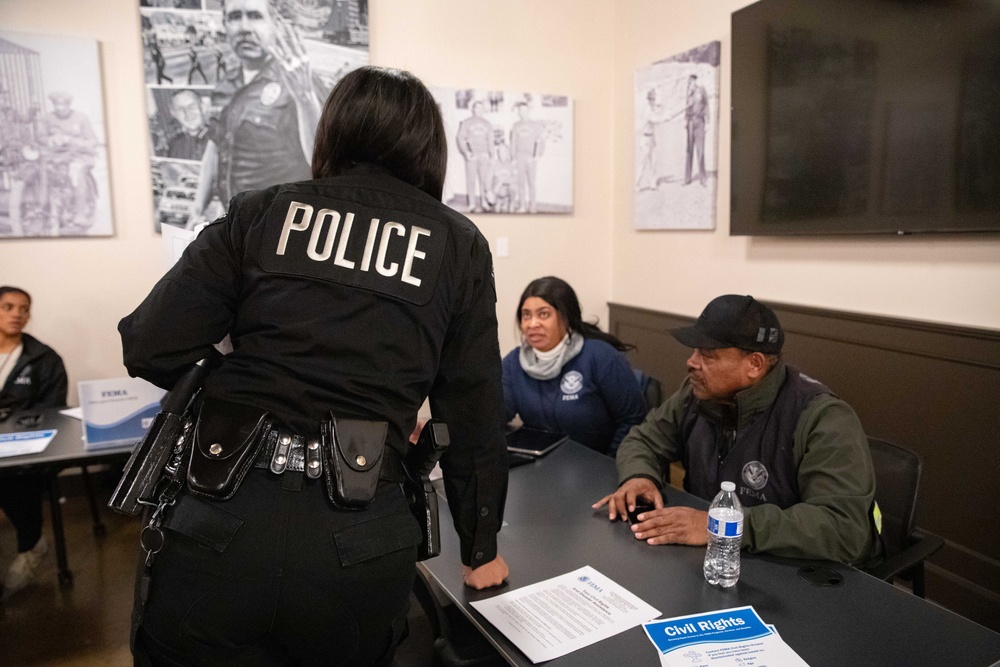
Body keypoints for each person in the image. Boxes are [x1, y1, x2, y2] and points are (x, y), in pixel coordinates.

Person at [119, 66, 509, 666]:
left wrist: (237, 383)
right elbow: (473, 413)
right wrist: (480, 548)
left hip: (221, 512)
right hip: (360, 535)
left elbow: (149, 344)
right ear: (430, 149)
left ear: (330, 133)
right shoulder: (457, 245)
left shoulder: (262, 212)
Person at [594, 295, 881, 565]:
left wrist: (722, 525)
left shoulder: (822, 417)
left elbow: (842, 528)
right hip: (713, 561)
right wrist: (639, 476)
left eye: (708, 354)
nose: (691, 362)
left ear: (754, 364)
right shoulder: (696, 394)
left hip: (794, 572)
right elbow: (643, 440)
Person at [187, 0, 322, 226]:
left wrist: (306, 99)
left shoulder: (300, 82)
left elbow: (323, 162)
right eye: (235, 17)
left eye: (255, 16)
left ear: (275, 25)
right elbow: (215, 147)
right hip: (235, 228)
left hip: (282, 231)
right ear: (225, 25)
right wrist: (197, 207)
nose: (244, 27)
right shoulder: (225, 84)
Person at [503, 277, 646, 456]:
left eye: (544, 314)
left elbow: (632, 420)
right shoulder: (513, 363)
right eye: (526, 315)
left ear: (566, 317)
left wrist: (610, 465)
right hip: (540, 468)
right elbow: (497, 415)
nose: (532, 324)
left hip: (599, 467)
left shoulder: (600, 356)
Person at [0, 286, 68, 599]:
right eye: (8, 307)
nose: (17, 314)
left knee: (14, 476)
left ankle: (31, 544)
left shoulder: (45, 359)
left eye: (23, 308)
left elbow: (52, 413)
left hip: (23, 452)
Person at [455, 100, 493, 213]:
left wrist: (492, 155)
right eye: (477, 108)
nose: (479, 110)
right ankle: (472, 203)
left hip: (484, 155)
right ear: (473, 109)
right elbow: (460, 138)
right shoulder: (466, 122)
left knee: (484, 180)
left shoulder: (487, 123)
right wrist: (466, 152)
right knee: (471, 180)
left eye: (481, 108)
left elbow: (491, 141)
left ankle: (484, 202)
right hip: (472, 156)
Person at [509, 101, 545, 213]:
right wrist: (513, 158)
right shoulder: (516, 125)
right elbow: (513, 143)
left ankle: (533, 206)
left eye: (524, 110)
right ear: (518, 112)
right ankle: (522, 206)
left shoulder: (536, 125)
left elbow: (540, 142)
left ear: (528, 110)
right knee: (521, 182)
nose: (522, 112)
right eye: (520, 110)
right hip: (519, 157)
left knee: (531, 183)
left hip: (531, 158)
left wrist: (537, 156)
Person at [165, 90, 209, 161]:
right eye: (180, 109)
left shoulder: (221, 139)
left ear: (203, 107)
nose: (187, 112)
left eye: (191, 106)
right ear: (174, 114)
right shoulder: (174, 145)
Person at [684, 74, 708, 186]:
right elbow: (686, 108)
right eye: (689, 82)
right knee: (689, 151)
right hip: (690, 124)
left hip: (700, 123)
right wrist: (685, 119)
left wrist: (707, 122)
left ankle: (702, 178)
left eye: (692, 81)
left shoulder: (701, 90)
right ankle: (687, 178)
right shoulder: (688, 94)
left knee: (701, 150)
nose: (690, 84)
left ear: (695, 81)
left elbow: (707, 106)